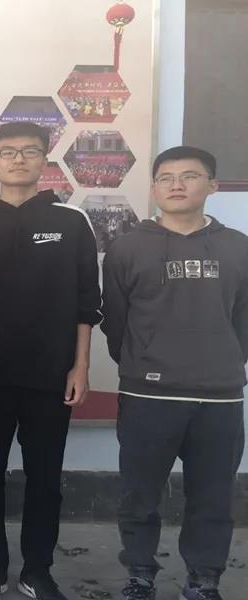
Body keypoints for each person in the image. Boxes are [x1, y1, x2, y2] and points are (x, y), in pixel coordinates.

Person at [0, 122, 101, 600]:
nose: (18, 159)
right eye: (7, 152)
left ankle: (37, 570)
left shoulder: (72, 222)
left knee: (45, 479)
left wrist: (80, 367)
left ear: (45, 160)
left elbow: (87, 303)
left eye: (30, 151)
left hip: (51, 376)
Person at [101, 146, 247, 600]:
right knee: (139, 496)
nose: (177, 185)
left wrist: (224, 360)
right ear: (154, 187)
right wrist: (142, 363)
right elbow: (116, 321)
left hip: (219, 397)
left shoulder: (238, 247)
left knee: (213, 498)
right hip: (149, 395)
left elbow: (243, 319)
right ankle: (140, 575)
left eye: (190, 176)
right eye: (166, 177)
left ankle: (203, 580)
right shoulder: (127, 247)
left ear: (213, 185)